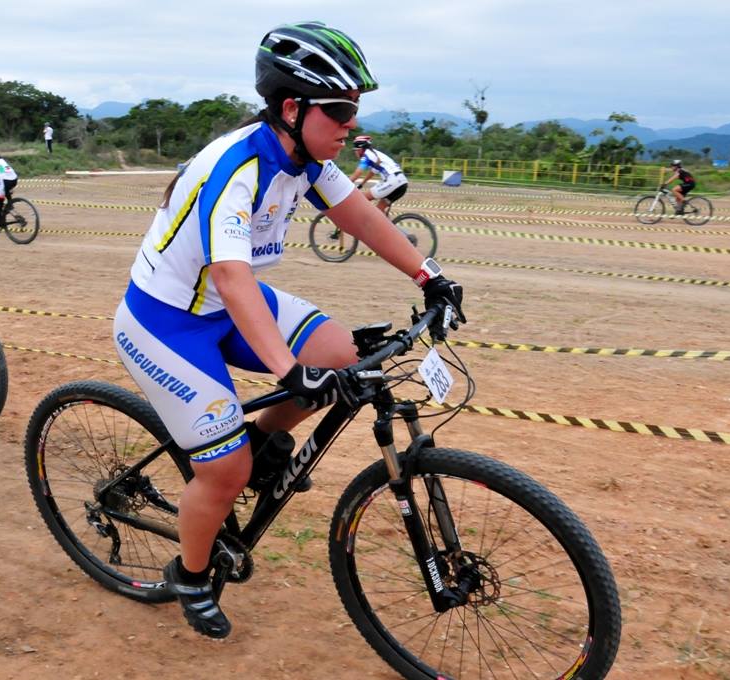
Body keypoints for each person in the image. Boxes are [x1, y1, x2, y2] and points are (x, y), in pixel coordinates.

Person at [112, 21, 465, 640]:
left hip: (227, 303)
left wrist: (427, 274)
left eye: (355, 110)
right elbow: (230, 274)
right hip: (166, 322)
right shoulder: (237, 166)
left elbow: (359, 216)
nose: (350, 123)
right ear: (293, 107)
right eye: (340, 110)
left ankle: (262, 447)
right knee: (223, 472)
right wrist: (284, 369)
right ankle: (190, 574)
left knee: (341, 354)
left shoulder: (305, 155)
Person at [348, 135, 409, 212]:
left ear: (360, 148)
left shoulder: (366, 155)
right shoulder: (375, 154)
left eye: (355, 150)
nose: (355, 153)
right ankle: (387, 224)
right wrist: (361, 184)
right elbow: (372, 172)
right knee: (379, 210)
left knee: (362, 199)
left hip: (393, 181)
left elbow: (358, 173)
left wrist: (345, 185)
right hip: (402, 183)